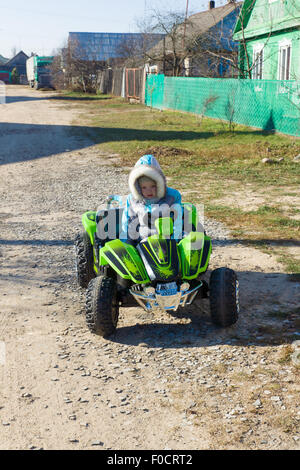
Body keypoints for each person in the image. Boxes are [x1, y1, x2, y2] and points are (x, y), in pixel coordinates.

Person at [120, 154, 182, 244]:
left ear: (159, 183)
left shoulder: (171, 197)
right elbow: (128, 223)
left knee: (188, 239)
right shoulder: (133, 200)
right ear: (137, 187)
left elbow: (177, 220)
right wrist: (126, 244)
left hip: (168, 240)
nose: (149, 191)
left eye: (153, 186)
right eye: (144, 187)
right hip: (142, 242)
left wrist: (175, 240)